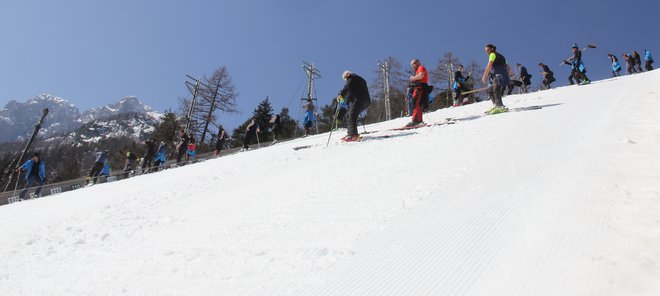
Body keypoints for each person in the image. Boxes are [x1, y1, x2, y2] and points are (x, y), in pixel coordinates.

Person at [337, 71, 371, 141]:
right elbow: (350, 94)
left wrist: (341, 94)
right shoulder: (359, 79)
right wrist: (346, 101)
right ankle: (351, 133)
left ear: (347, 75)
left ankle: (352, 135)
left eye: (345, 79)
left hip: (359, 99)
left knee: (351, 116)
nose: (346, 81)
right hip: (366, 101)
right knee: (351, 115)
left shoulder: (351, 78)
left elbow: (347, 86)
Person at [481, 44, 510, 114]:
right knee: (489, 90)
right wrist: (508, 75)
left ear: (492, 49)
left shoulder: (492, 54)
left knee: (495, 89)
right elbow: (508, 67)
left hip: (499, 74)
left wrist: (484, 76)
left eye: (488, 50)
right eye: (486, 51)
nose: (487, 52)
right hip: (499, 75)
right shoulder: (501, 56)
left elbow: (489, 65)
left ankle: (500, 106)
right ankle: (496, 104)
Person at [406, 59, 429, 126]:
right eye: (411, 65)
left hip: (420, 88)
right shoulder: (417, 70)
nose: (412, 66)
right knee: (416, 104)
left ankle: (416, 121)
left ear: (418, 62)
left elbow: (421, 75)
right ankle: (418, 120)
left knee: (416, 103)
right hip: (419, 87)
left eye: (414, 63)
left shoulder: (420, 67)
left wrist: (413, 78)